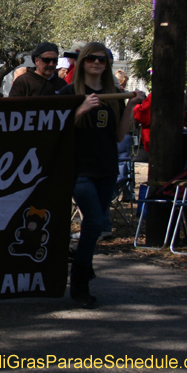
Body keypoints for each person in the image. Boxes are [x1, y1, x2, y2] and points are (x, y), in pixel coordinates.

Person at [59, 42, 144, 307]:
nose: (97, 63)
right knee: (94, 222)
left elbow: (119, 136)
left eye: (103, 60)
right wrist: (80, 110)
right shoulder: (68, 93)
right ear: (82, 62)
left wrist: (130, 106)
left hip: (106, 169)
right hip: (80, 169)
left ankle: (81, 276)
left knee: (95, 225)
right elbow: (57, 132)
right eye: (92, 59)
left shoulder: (114, 94)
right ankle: (80, 280)